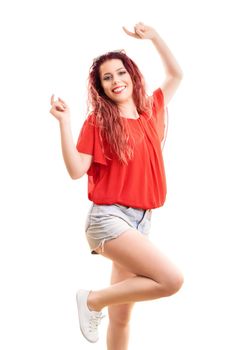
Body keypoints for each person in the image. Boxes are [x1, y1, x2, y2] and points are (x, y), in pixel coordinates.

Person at [49, 22, 184, 350]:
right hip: (108, 220)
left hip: (140, 222)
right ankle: (92, 300)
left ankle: (99, 303)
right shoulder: (99, 121)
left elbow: (176, 74)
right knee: (171, 280)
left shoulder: (150, 112)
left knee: (122, 318)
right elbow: (76, 170)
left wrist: (153, 36)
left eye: (120, 73)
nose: (116, 81)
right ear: (101, 87)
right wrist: (65, 124)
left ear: (132, 75)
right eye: (107, 78)